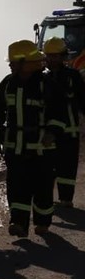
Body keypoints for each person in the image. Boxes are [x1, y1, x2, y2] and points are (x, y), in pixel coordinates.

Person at [0, 40, 67, 238]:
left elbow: (60, 112)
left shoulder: (46, 85)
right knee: (17, 187)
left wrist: (52, 132)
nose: (10, 65)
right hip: (15, 148)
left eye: (13, 62)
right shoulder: (8, 83)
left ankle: (43, 222)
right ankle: (18, 222)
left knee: (42, 187)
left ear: (25, 62)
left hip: (42, 150)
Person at [43, 37, 85, 207]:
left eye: (56, 56)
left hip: (69, 131)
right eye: (49, 56)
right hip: (48, 132)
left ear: (63, 56)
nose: (52, 59)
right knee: (48, 166)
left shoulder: (73, 76)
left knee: (67, 167)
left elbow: (83, 101)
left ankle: (66, 199)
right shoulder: (42, 78)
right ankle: (46, 199)